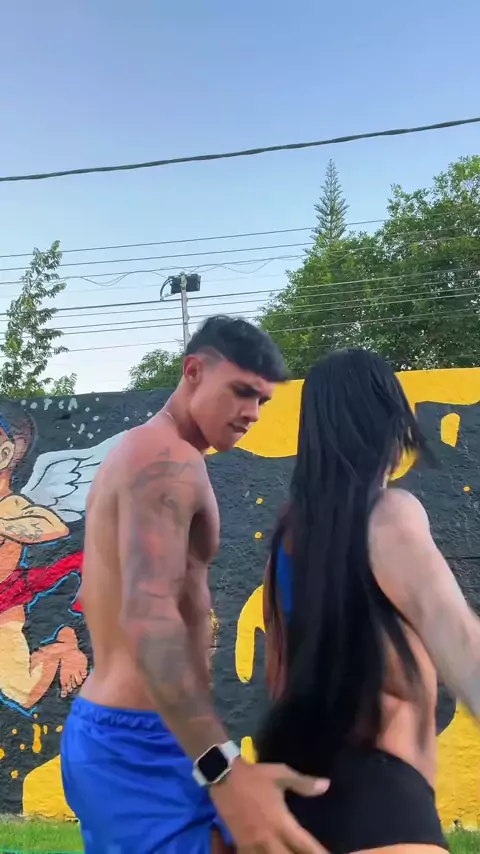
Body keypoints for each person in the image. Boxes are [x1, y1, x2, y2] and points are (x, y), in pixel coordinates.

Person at [60, 315, 330, 854]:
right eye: (241, 392)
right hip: (136, 743)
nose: (253, 413)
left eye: (262, 401)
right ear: (193, 372)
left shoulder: (150, 453)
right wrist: (221, 768)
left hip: (143, 734)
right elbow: (147, 616)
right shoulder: (166, 460)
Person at [257, 348, 480, 854]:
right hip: (381, 801)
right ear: (388, 422)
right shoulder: (389, 513)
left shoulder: (286, 540)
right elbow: (458, 637)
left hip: (293, 801)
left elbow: (277, 678)